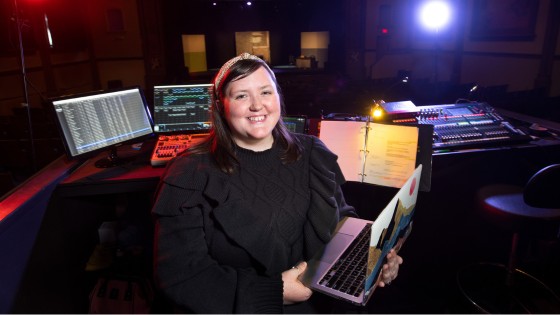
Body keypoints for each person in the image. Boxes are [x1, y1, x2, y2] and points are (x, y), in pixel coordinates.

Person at [151, 52, 404, 313]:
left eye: (265, 92)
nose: (257, 105)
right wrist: (274, 292)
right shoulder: (189, 173)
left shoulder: (312, 152)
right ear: (220, 105)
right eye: (241, 96)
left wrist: (371, 255)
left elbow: (341, 218)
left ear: (278, 97)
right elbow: (179, 276)